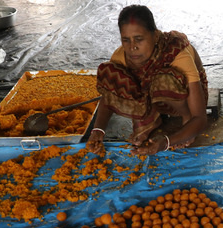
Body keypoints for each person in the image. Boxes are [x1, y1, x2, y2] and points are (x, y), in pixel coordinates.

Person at [87, 5, 208, 155]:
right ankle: (150, 121)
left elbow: (201, 118)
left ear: (155, 36)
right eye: (126, 40)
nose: (132, 47)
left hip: (187, 100)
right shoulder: (121, 57)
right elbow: (108, 96)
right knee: (112, 74)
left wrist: (165, 143)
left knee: (162, 80)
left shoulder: (177, 53)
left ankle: (185, 117)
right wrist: (98, 130)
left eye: (139, 39)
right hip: (153, 96)